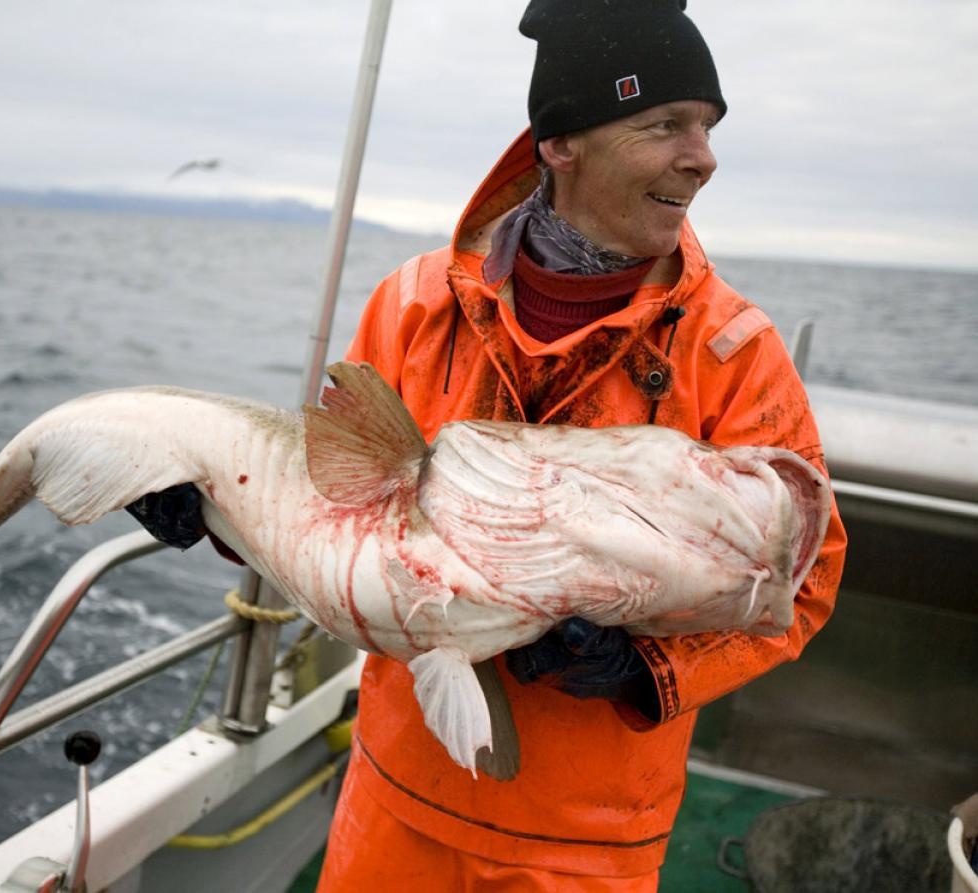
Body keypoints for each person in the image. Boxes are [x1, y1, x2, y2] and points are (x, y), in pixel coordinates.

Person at [131, 1, 847, 889]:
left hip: (588, 844)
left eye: (706, 126)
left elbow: (806, 581)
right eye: (665, 124)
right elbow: (337, 516)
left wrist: (642, 664)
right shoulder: (413, 304)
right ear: (562, 142)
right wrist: (210, 508)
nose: (703, 156)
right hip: (398, 796)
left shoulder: (734, 348)